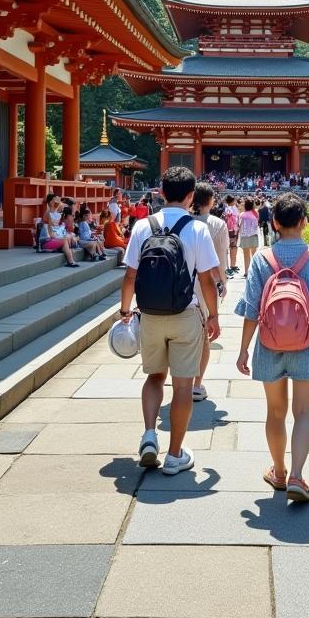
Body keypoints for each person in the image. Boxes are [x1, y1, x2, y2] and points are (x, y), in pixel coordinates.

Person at [235, 192, 309, 503]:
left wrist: (243, 350)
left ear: (275, 223)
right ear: (304, 222)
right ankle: (297, 474)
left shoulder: (261, 259)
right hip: (308, 345)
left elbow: (251, 309)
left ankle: (279, 472)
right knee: (304, 411)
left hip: (268, 346)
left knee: (275, 411)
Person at [120, 166, 221, 475]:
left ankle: (150, 435)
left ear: (160, 192)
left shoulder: (142, 226)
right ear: (191, 196)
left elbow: (130, 275)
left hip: (149, 314)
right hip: (185, 314)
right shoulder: (197, 229)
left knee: (153, 377)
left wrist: (125, 311)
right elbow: (206, 280)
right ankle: (175, 454)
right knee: (182, 386)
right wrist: (213, 315)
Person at [190, 182, 229, 402]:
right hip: (208, 282)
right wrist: (222, 283)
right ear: (211, 200)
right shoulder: (217, 224)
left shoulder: (185, 221)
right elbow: (220, 258)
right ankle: (197, 384)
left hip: (184, 281)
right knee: (204, 332)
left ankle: (181, 379)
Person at [239, 197, 260, 273]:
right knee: (254, 255)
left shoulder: (242, 215)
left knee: (246, 255)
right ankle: (255, 271)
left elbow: (240, 225)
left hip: (244, 236)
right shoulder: (256, 213)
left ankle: (246, 272)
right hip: (254, 236)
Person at [223, 195, 240, 276]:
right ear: (232, 201)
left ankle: (231, 265)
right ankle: (232, 265)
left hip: (230, 230)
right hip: (232, 230)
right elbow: (235, 219)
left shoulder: (227, 208)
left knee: (231, 247)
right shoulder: (231, 209)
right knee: (233, 247)